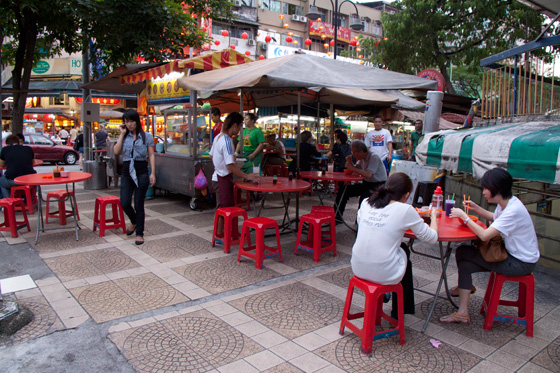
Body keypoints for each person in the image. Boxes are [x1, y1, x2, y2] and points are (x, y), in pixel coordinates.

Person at [441, 168, 540, 324]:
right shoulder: (507, 203)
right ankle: (463, 306)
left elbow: (485, 235)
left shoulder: (513, 210)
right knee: (464, 257)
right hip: (514, 256)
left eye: (486, 188)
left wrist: (464, 217)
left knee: (464, 253)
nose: (484, 191)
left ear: (497, 189)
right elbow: (495, 217)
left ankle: (464, 293)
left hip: (520, 263)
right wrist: (476, 208)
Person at [352, 173, 439, 319]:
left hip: (358, 266)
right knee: (404, 253)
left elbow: (364, 224)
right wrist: (434, 217)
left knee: (401, 250)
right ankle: (398, 313)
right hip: (381, 272)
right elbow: (432, 238)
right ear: (406, 195)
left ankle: (391, 301)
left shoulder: (367, 201)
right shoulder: (405, 210)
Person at [113, 109, 156, 246]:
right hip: (127, 170)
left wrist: (153, 173)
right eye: (126, 121)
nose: (129, 124)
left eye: (131, 121)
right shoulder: (124, 136)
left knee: (139, 203)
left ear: (137, 121)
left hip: (141, 169)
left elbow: (151, 155)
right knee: (124, 202)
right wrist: (122, 134)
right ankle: (134, 221)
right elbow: (116, 151)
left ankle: (139, 233)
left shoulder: (146, 136)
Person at [210, 112, 256, 234]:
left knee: (223, 208)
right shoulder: (226, 140)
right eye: (240, 126)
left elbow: (211, 156)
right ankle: (220, 235)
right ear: (235, 126)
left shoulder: (218, 137)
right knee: (223, 209)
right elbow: (229, 166)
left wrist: (223, 163)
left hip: (218, 176)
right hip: (222, 178)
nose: (241, 129)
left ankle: (226, 233)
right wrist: (246, 175)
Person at [334, 140, 387, 222]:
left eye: (354, 152)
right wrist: (350, 162)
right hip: (366, 184)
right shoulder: (362, 159)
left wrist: (352, 167)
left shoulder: (374, 157)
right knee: (343, 190)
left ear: (361, 152)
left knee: (364, 198)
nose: (353, 154)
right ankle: (337, 215)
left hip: (378, 186)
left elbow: (369, 174)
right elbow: (356, 169)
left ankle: (361, 222)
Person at [0, 134, 36, 198]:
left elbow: (1, 164)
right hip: (29, 180)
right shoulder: (28, 149)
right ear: (18, 142)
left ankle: (9, 201)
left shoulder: (5, 149)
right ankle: (31, 201)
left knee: (1, 182)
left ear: (7, 144)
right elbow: (32, 162)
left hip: (13, 179)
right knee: (34, 183)